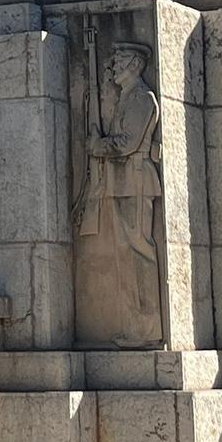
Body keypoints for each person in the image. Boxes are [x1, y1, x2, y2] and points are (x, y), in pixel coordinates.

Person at [74, 43, 163, 348]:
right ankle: (136, 325)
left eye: (119, 60)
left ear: (135, 65)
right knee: (127, 256)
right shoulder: (128, 97)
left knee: (138, 254)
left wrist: (97, 146)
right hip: (122, 182)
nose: (112, 66)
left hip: (135, 182)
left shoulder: (142, 98)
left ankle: (146, 328)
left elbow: (127, 143)